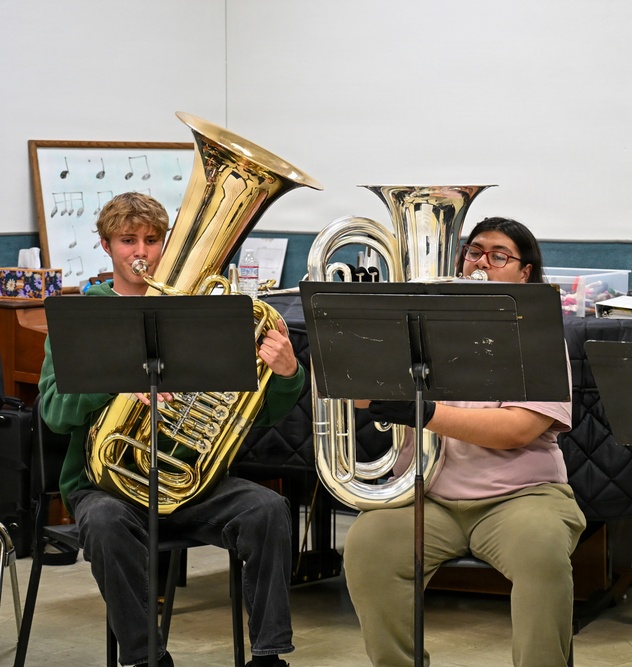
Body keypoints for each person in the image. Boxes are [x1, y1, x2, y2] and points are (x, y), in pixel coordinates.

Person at [38, 192, 305, 667]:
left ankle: (269, 656)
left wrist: (287, 374)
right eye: (127, 240)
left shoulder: (196, 312)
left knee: (267, 509)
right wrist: (116, 385)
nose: (141, 252)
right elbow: (55, 410)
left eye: (151, 239)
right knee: (102, 523)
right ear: (106, 246)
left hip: (191, 479)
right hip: (107, 485)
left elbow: (258, 413)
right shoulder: (84, 316)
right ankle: (146, 659)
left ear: (166, 244)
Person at [343, 217, 585, 667]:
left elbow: (518, 429)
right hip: (426, 494)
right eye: (474, 252)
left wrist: (426, 412)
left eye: (498, 256)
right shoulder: (418, 327)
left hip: (520, 496)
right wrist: (341, 349)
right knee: (367, 547)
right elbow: (359, 397)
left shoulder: (538, 334)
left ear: (524, 273)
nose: (481, 263)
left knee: (541, 549)